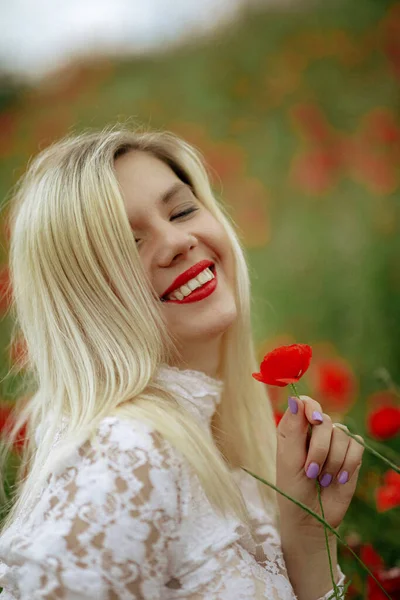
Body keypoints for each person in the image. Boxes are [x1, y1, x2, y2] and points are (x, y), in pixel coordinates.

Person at [0, 126, 364, 599]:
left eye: (182, 210)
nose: (176, 240)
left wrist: (307, 541)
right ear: (82, 300)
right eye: (127, 242)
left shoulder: (213, 444)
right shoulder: (130, 453)